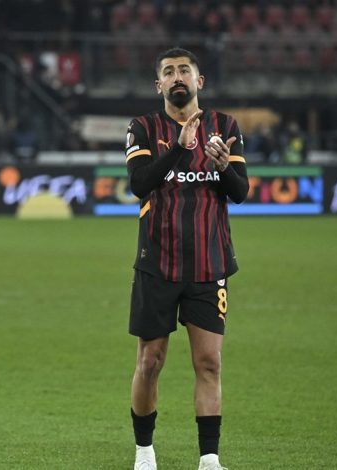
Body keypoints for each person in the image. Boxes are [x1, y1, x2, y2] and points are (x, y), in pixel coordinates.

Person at [124, 47, 248, 470]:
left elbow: (240, 192)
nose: (177, 77)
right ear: (158, 84)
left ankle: (209, 460)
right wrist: (179, 149)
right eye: (169, 71)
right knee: (150, 361)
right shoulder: (142, 128)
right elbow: (140, 184)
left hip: (209, 264)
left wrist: (222, 167)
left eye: (184, 70)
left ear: (200, 81)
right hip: (157, 262)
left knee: (209, 362)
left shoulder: (225, 126)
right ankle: (144, 452)